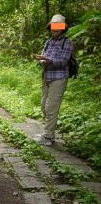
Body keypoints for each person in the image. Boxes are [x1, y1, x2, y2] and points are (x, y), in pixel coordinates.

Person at [35, 14, 73, 146]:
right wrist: (41, 60)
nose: (55, 29)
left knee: (51, 108)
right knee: (43, 106)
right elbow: (44, 58)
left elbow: (63, 62)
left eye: (58, 26)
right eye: (53, 26)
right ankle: (50, 132)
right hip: (46, 76)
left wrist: (47, 60)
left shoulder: (67, 42)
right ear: (50, 27)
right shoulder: (48, 41)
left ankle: (48, 136)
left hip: (59, 78)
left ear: (62, 28)